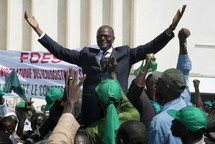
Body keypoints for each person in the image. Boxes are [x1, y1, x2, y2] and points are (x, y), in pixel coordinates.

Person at [24, 5, 186, 127]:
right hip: (91, 113)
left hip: (117, 112)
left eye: (107, 36)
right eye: (100, 36)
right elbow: (61, 52)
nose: (103, 39)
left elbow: (150, 46)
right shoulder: (86, 54)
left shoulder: (126, 54)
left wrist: (171, 28)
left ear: (113, 39)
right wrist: (39, 30)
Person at [85, 79, 140, 144]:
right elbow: (126, 102)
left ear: (98, 100)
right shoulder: (133, 116)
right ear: (120, 97)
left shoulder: (92, 131)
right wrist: (114, 77)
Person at [146, 68, 191, 144]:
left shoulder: (159, 122)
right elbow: (185, 72)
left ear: (166, 87)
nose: (156, 86)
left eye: (159, 82)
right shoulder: (186, 102)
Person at [48, 68, 86, 144]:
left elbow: (59, 139)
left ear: (60, 102)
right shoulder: (54, 112)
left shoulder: (81, 109)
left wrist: (70, 103)